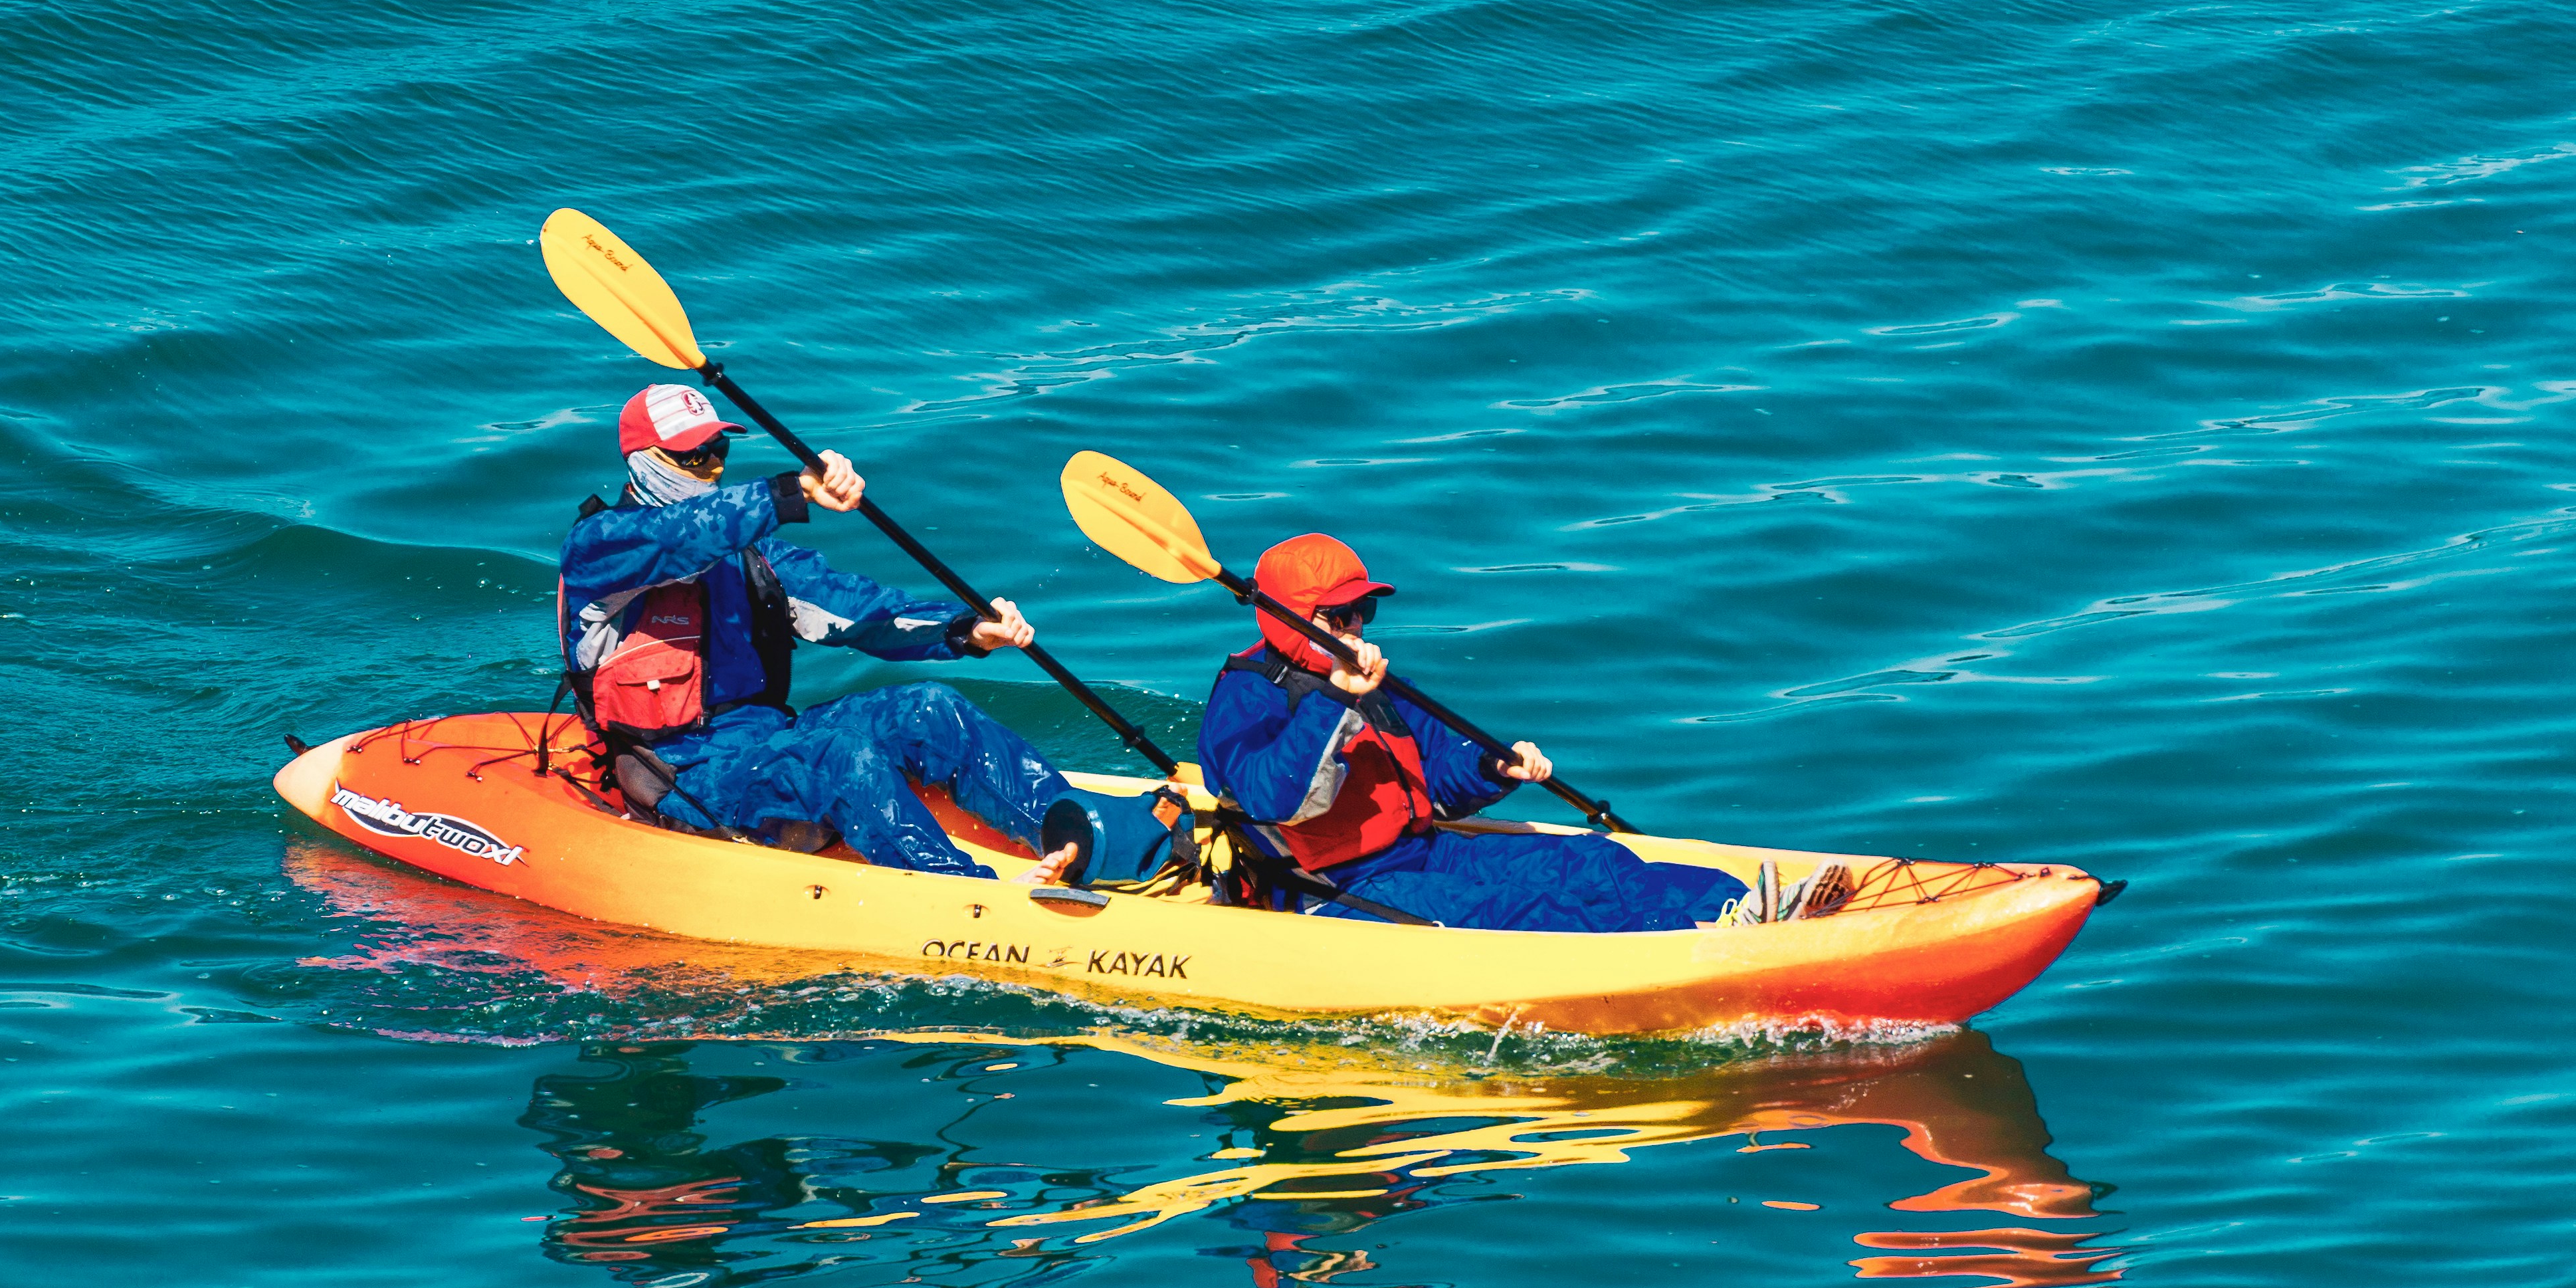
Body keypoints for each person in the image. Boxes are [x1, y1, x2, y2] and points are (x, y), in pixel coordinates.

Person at [561, 383, 1096, 883]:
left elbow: (856, 609)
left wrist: (967, 629)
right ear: (643, 462)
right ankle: (960, 893)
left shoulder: (754, 554)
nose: (713, 467)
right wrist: (791, 492)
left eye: (720, 449)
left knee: (931, 708)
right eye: (695, 456)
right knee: (838, 756)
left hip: (765, 741)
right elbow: (674, 537)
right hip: (683, 779)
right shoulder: (599, 551)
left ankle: (1083, 837)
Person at [1196, 534, 1771, 930]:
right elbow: (1279, 800)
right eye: (1336, 616)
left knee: (1594, 862)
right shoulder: (1246, 698)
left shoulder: (1375, 680)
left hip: (1419, 852)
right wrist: (1339, 698)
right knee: (1536, 910)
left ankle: (1742, 905)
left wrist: (1490, 768)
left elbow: (1436, 781)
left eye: (1361, 613)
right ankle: (1699, 944)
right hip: (1331, 890)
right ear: (1288, 616)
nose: (1354, 627)